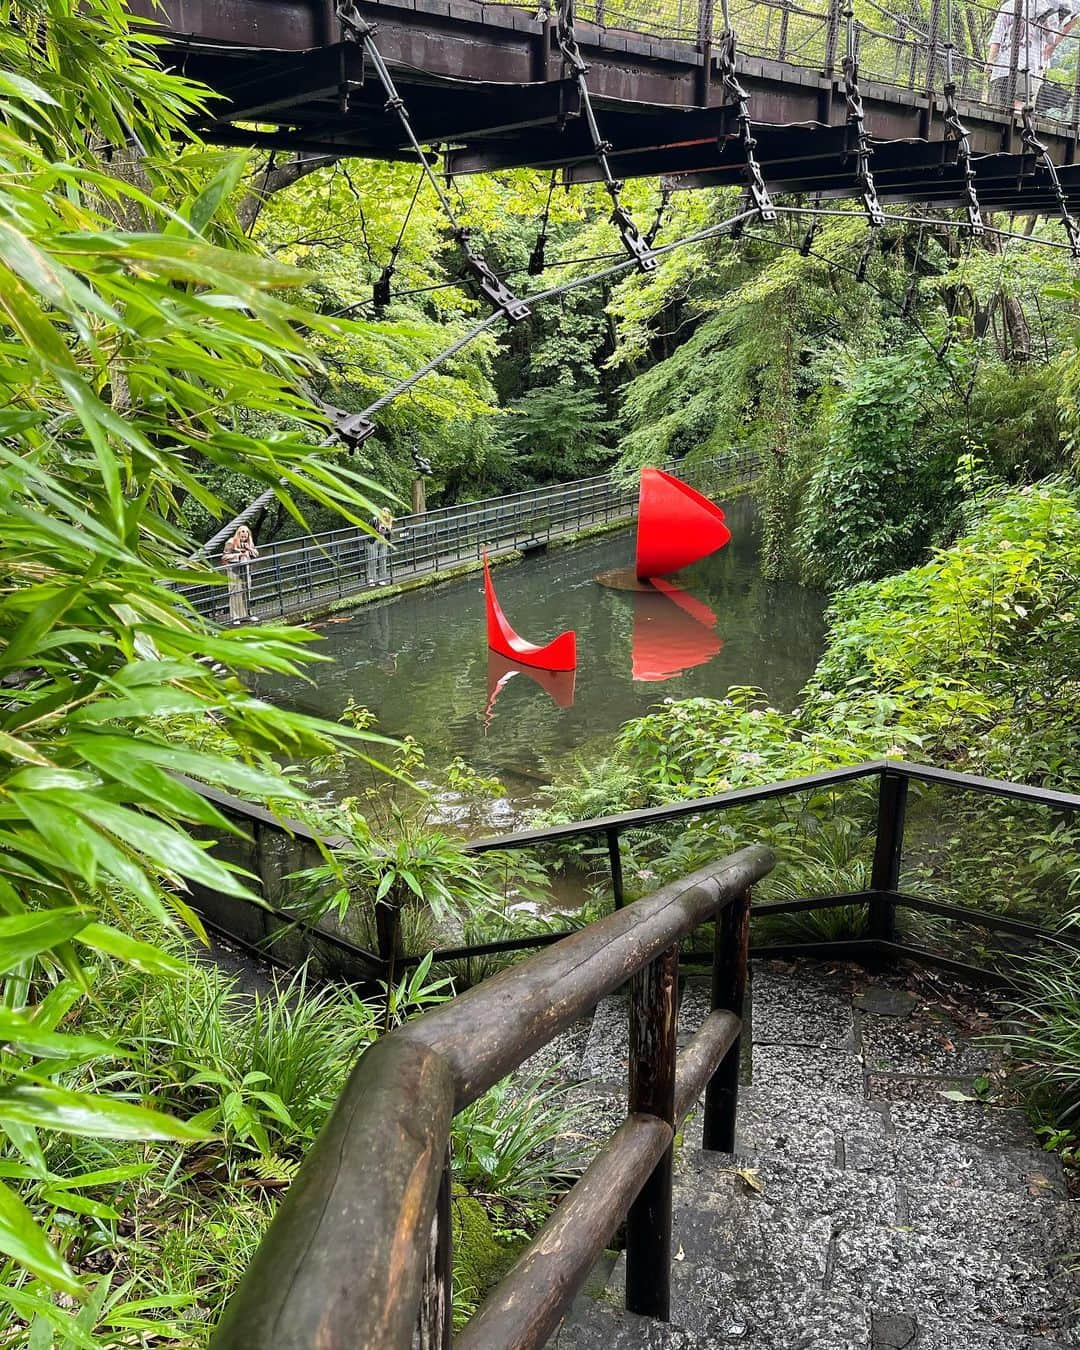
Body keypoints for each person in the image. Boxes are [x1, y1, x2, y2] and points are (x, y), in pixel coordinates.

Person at [986, 0, 1073, 110]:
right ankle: (1011, 123)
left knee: (1019, 101)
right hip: (1003, 64)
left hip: (1026, 66)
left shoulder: (1049, 11)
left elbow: (1052, 39)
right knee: (999, 104)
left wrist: (1044, 21)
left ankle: (1019, 124)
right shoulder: (1008, 6)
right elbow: (997, 36)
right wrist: (990, 61)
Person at [221, 524, 258, 623]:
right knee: (235, 592)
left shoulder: (249, 543)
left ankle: (247, 614)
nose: (244, 536)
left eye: (246, 534)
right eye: (242, 533)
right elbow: (224, 557)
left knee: (247, 591)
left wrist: (249, 549)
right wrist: (239, 555)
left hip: (246, 569)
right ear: (238, 533)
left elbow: (256, 554)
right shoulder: (231, 542)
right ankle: (235, 617)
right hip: (234, 570)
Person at [368, 506, 393, 586]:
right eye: (384, 511)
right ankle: (371, 579)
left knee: (383, 558)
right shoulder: (374, 519)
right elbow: (368, 529)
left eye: (387, 512)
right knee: (373, 559)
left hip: (383, 540)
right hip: (373, 540)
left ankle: (382, 578)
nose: (385, 514)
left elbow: (389, 532)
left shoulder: (389, 521)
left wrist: (388, 526)